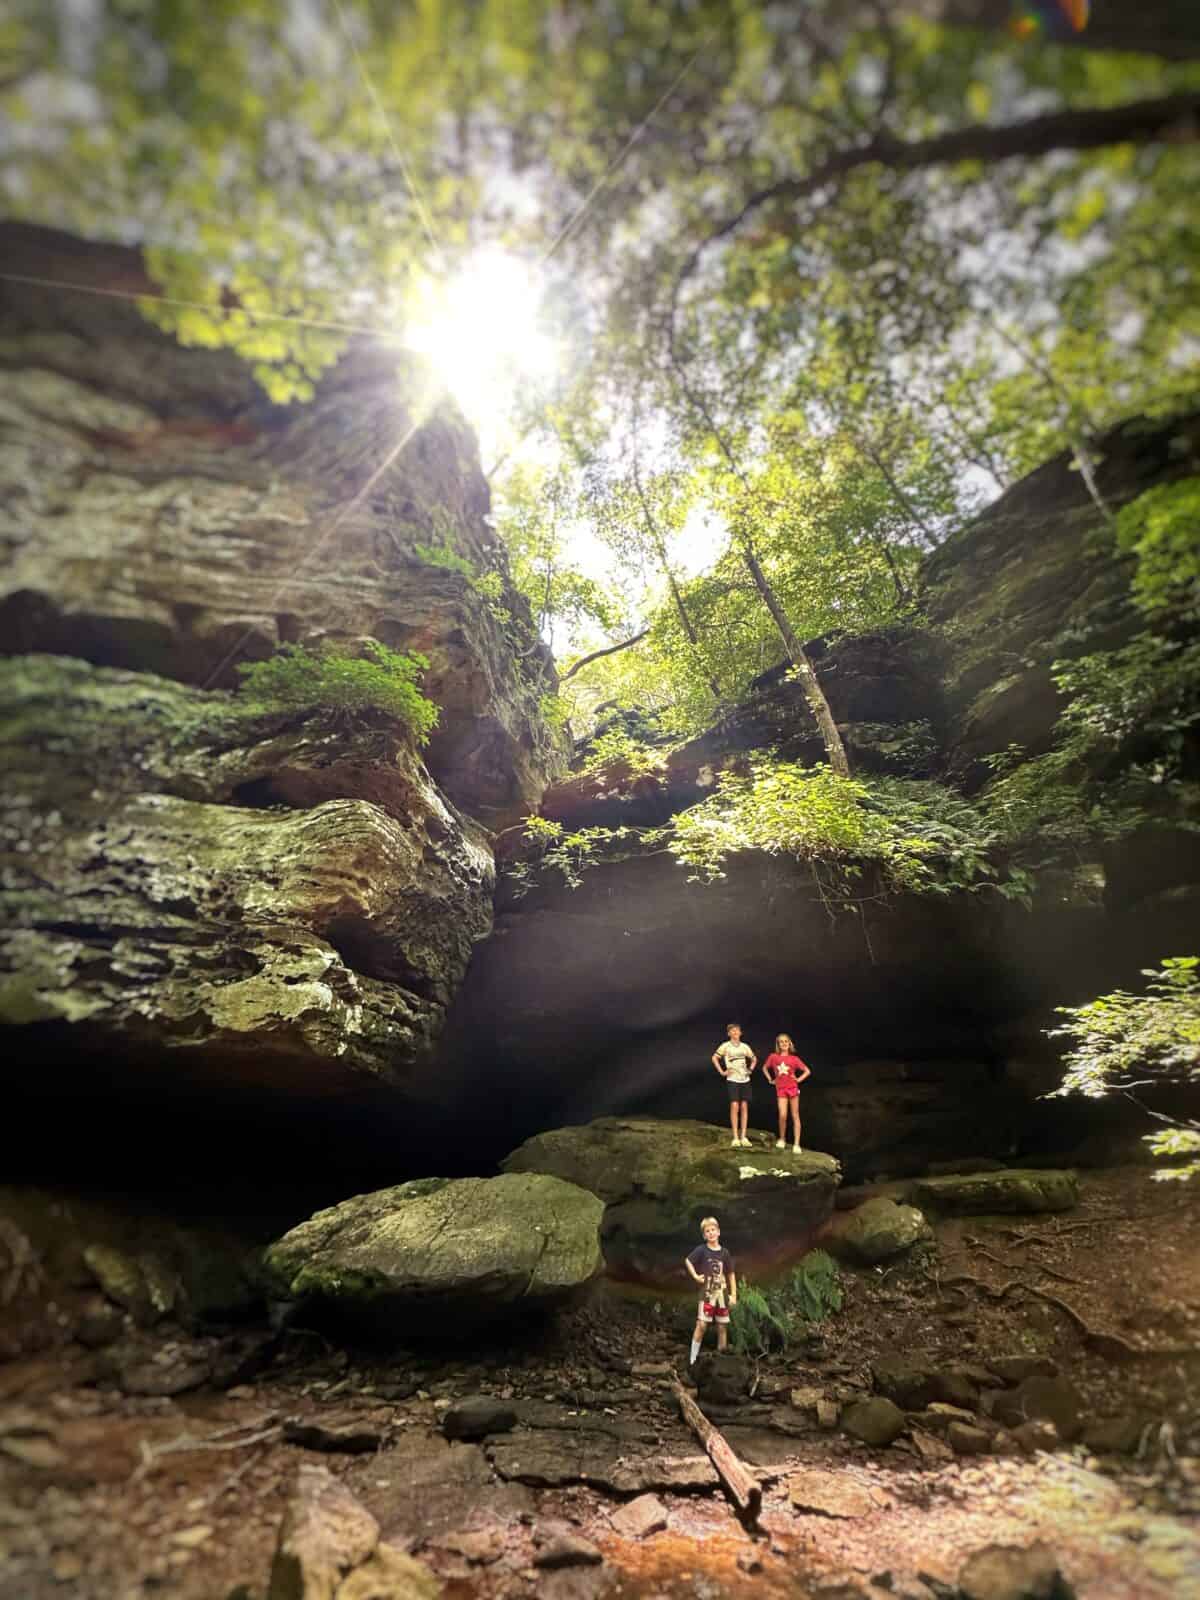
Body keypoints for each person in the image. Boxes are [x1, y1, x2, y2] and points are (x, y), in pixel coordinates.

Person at [685, 1215, 737, 1364]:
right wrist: (695, 1276)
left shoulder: (725, 1253)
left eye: (713, 1230)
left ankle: (721, 1360)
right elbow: (688, 1261)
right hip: (707, 1294)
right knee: (701, 1324)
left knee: (722, 1327)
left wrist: (733, 1295)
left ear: (719, 1232)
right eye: (707, 1231)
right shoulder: (702, 1250)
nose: (711, 1233)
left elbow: (731, 1274)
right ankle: (692, 1360)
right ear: (704, 1235)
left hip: (722, 1294)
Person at [762, 1032, 811, 1152]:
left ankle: (796, 1144)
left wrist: (798, 1079)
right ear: (778, 1044)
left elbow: (807, 1071)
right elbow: (764, 1068)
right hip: (781, 1089)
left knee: (795, 1115)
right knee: (783, 1115)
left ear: (789, 1043)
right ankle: (782, 1139)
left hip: (793, 1088)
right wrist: (770, 1079)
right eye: (781, 1042)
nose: (784, 1043)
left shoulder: (794, 1059)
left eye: (786, 1041)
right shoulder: (773, 1057)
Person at [712, 1022, 757, 1147]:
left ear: (740, 1033)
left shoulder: (745, 1047)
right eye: (732, 1031)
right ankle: (735, 1137)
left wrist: (750, 1069)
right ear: (729, 1033)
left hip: (745, 1079)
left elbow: (754, 1058)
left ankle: (743, 1136)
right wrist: (722, 1072)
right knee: (734, 1105)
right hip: (732, 1079)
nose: (735, 1032)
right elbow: (714, 1058)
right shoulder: (725, 1046)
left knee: (744, 1106)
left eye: (737, 1030)